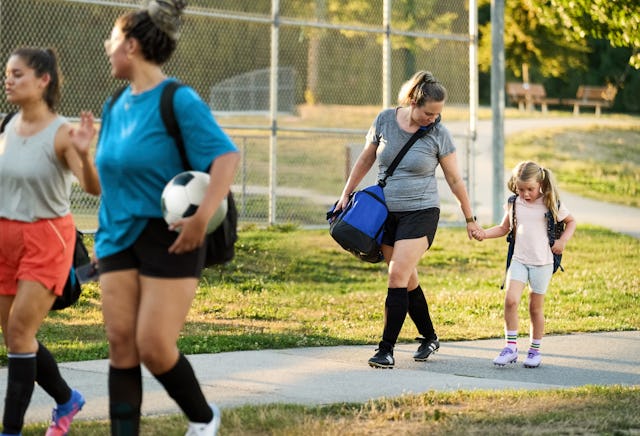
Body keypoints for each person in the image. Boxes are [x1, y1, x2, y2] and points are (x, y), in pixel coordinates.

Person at [81, 1, 239, 435]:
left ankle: (204, 420)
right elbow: (100, 184)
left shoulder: (178, 99)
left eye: (111, 40)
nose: (107, 47)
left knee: (153, 345)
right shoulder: (114, 104)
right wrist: (80, 153)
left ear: (130, 46)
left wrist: (200, 218)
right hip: (115, 237)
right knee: (121, 347)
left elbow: (226, 157)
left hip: (169, 236)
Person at [336, 71, 481, 369]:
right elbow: (366, 159)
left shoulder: (439, 133)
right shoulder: (385, 120)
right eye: (429, 112)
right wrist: (345, 193)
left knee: (396, 276)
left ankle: (385, 349)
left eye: (438, 113)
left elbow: (454, 179)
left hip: (422, 213)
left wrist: (470, 217)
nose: (433, 118)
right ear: (414, 102)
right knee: (408, 280)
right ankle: (429, 336)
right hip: (387, 213)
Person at [0, 47, 100, 435]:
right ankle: (67, 400)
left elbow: (93, 188)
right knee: (14, 333)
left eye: (18, 74)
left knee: (21, 334)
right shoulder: (7, 125)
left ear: (44, 81)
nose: (8, 79)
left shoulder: (62, 133)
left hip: (47, 239)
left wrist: (85, 156)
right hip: (5, 236)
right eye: (7, 73)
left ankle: (10, 431)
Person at [472, 161, 576, 368]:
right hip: (519, 260)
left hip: (542, 263)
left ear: (540, 183)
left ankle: (534, 351)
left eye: (530, 189)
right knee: (510, 301)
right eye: (521, 189)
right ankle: (510, 348)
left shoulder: (551, 203)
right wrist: (484, 233)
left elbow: (571, 221)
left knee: (534, 308)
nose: (525, 193)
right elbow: (504, 228)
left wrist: (562, 241)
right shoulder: (514, 202)